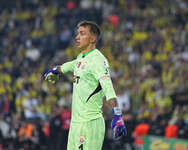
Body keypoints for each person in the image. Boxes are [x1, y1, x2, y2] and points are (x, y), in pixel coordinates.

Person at [43, 20, 126, 150]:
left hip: (90, 123)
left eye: (82, 34)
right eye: (77, 33)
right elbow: (69, 65)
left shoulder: (98, 60)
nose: (77, 37)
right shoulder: (81, 58)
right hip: (75, 124)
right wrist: (56, 69)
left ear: (93, 38)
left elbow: (108, 87)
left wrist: (117, 113)